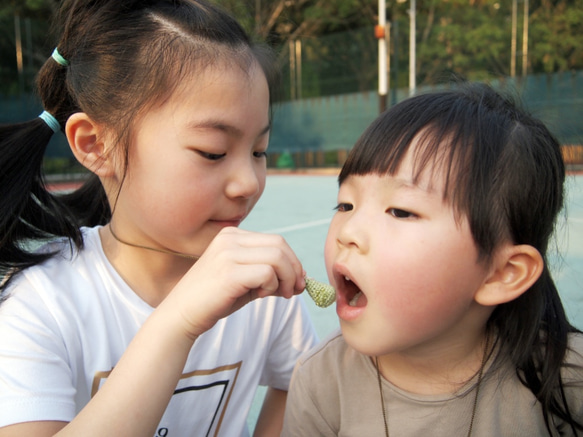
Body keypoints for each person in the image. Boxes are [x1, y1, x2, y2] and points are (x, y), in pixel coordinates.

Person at [0, 1, 318, 435]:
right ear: (96, 145)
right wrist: (177, 322)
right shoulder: (40, 305)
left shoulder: (264, 292)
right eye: (213, 152)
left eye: (258, 151)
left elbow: (296, 382)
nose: (248, 182)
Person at [282, 82, 583, 436]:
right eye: (345, 204)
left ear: (501, 274)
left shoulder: (567, 381)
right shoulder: (320, 383)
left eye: (400, 211)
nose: (348, 231)